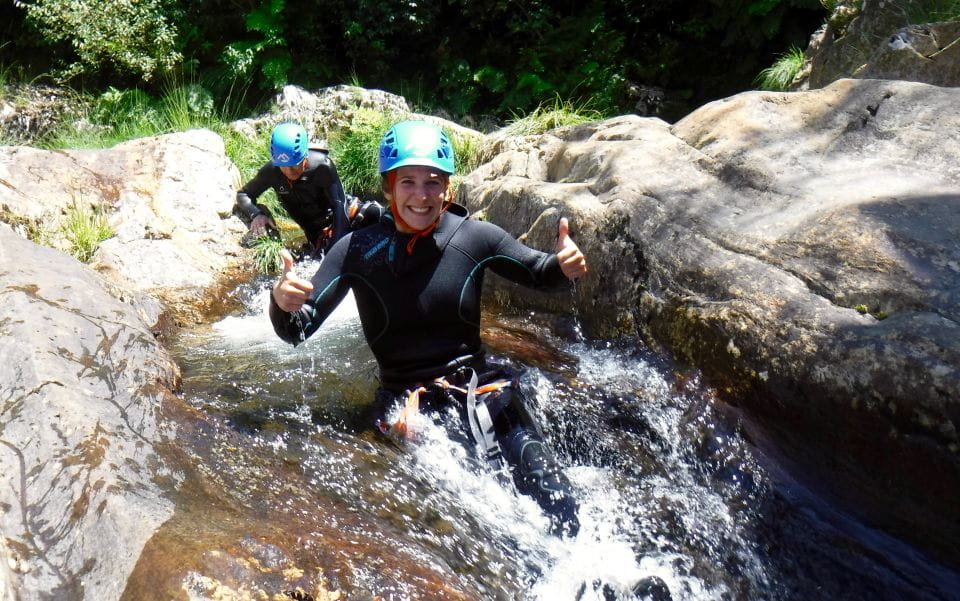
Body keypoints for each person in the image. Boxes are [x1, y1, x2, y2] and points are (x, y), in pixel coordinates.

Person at [269, 120, 588, 535]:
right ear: (388, 187)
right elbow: (297, 329)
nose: (421, 195)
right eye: (408, 182)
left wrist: (564, 266)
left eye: (433, 182)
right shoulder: (357, 251)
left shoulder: (474, 238)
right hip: (408, 402)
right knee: (467, 516)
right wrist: (281, 302)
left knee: (551, 488)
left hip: (483, 389)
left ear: (448, 188)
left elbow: (539, 271)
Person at [234, 122, 383, 255]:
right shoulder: (272, 172)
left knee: (376, 213)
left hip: (344, 215)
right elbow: (244, 194)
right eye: (283, 167)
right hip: (318, 233)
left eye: (294, 165)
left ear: (305, 156)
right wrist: (257, 214)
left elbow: (339, 205)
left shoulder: (322, 166)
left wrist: (336, 247)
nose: (289, 172)